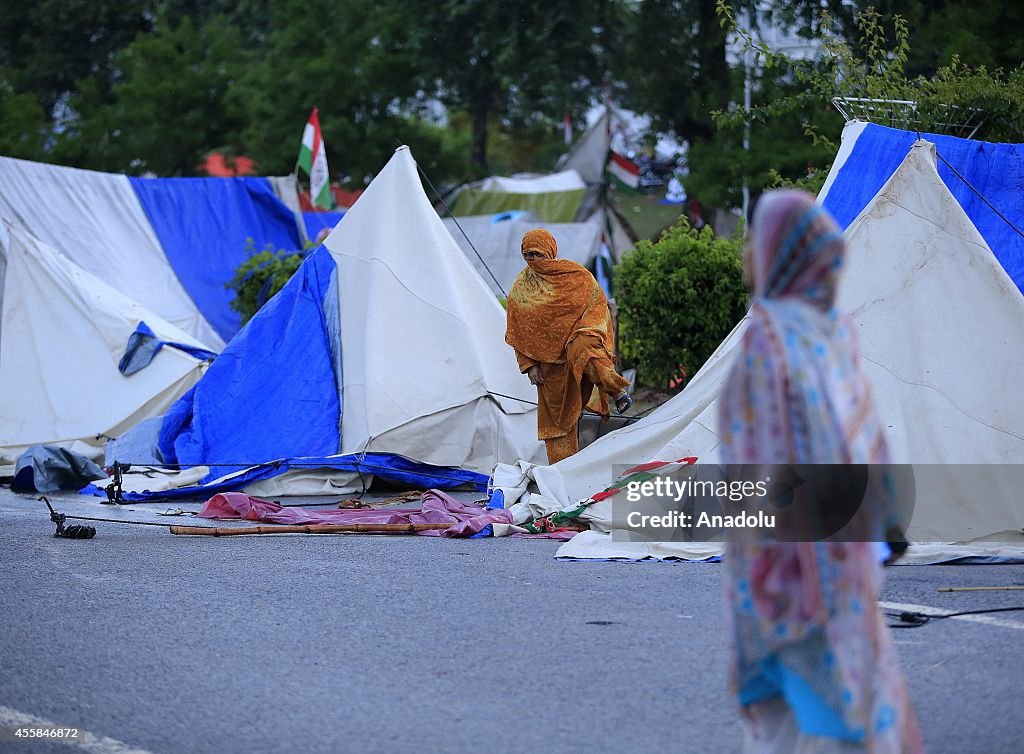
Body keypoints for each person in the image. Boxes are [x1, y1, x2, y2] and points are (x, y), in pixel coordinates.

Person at [718, 190, 923, 752]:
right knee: (848, 704)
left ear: (774, 251)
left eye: (753, 243)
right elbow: (864, 434)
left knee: (789, 717)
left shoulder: (769, 338)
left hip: (783, 565)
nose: (746, 256)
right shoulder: (834, 332)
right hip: (850, 556)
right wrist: (885, 522)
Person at [505, 229, 631, 464]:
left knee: (586, 348)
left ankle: (617, 391)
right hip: (547, 368)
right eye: (528, 255)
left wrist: (586, 331)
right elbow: (517, 330)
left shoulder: (575, 275)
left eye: (538, 253)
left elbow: (597, 302)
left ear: (550, 251)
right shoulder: (521, 289)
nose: (534, 260)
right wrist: (529, 365)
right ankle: (563, 476)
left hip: (577, 352)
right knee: (557, 425)